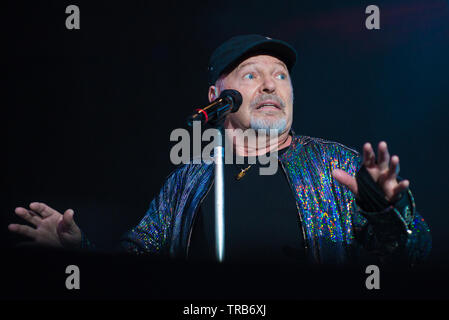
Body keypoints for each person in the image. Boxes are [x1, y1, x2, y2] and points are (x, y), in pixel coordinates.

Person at [8, 35, 431, 265]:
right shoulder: (189, 179)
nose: (269, 85)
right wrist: (79, 250)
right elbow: (139, 256)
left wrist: (389, 213)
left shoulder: (335, 164)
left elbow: (416, 252)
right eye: (251, 75)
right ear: (216, 95)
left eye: (281, 76)